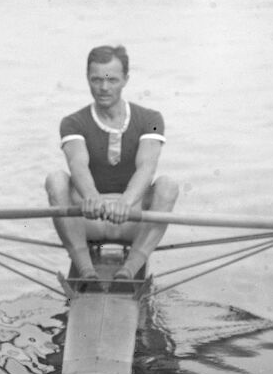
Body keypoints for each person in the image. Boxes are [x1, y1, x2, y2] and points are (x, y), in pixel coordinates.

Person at [45, 44, 179, 282]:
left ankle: (130, 269)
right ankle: (85, 269)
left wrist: (126, 202)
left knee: (168, 185)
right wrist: (91, 196)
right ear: (87, 78)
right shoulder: (71, 122)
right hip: (90, 217)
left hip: (133, 218)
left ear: (126, 79)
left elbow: (147, 167)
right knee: (55, 179)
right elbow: (77, 164)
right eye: (96, 80)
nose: (104, 88)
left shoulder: (153, 119)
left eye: (112, 80)